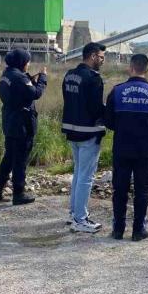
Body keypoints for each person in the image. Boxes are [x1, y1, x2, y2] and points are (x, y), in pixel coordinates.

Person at [104, 54, 148, 241]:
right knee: (142, 190)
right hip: (144, 150)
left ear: (130, 68)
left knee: (120, 189)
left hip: (122, 148)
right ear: (146, 69)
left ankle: (118, 229)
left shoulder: (117, 91)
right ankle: (138, 230)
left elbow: (108, 121)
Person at [0, 48, 47, 205]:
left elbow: (19, 92)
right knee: (20, 160)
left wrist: (30, 79)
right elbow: (35, 93)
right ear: (22, 62)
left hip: (10, 121)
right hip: (22, 124)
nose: (29, 64)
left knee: (9, 157)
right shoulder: (19, 78)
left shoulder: (7, 74)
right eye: (27, 61)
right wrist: (43, 78)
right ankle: (18, 193)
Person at [61, 42, 107, 233]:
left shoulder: (69, 74)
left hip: (72, 130)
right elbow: (96, 108)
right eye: (101, 57)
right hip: (88, 132)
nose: (103, 61)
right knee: (86, 177)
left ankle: (74, 213)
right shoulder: (93, 78)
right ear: (93, 56)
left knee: (78, 174)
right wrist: (109, 114)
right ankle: (80, 219)